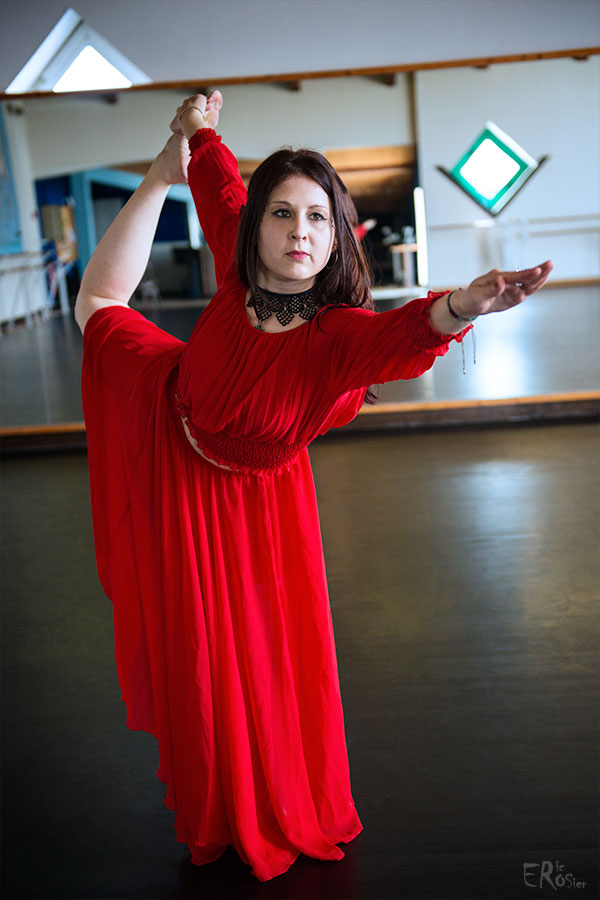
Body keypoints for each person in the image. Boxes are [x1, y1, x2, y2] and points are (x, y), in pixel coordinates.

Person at [75, 91, 553, 883]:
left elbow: (403, 333)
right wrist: (197, 136)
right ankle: (158, 170)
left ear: (338, 237)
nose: (301, 231)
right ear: (260, 227)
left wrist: (464, 305)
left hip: (249, 505)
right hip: (173, 424)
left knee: (243, 664)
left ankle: (262, 799)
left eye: (320, 218)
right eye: (285, 215)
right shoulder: (235, 256)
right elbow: (224, 186)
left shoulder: (333, 336)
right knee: (96, 304)